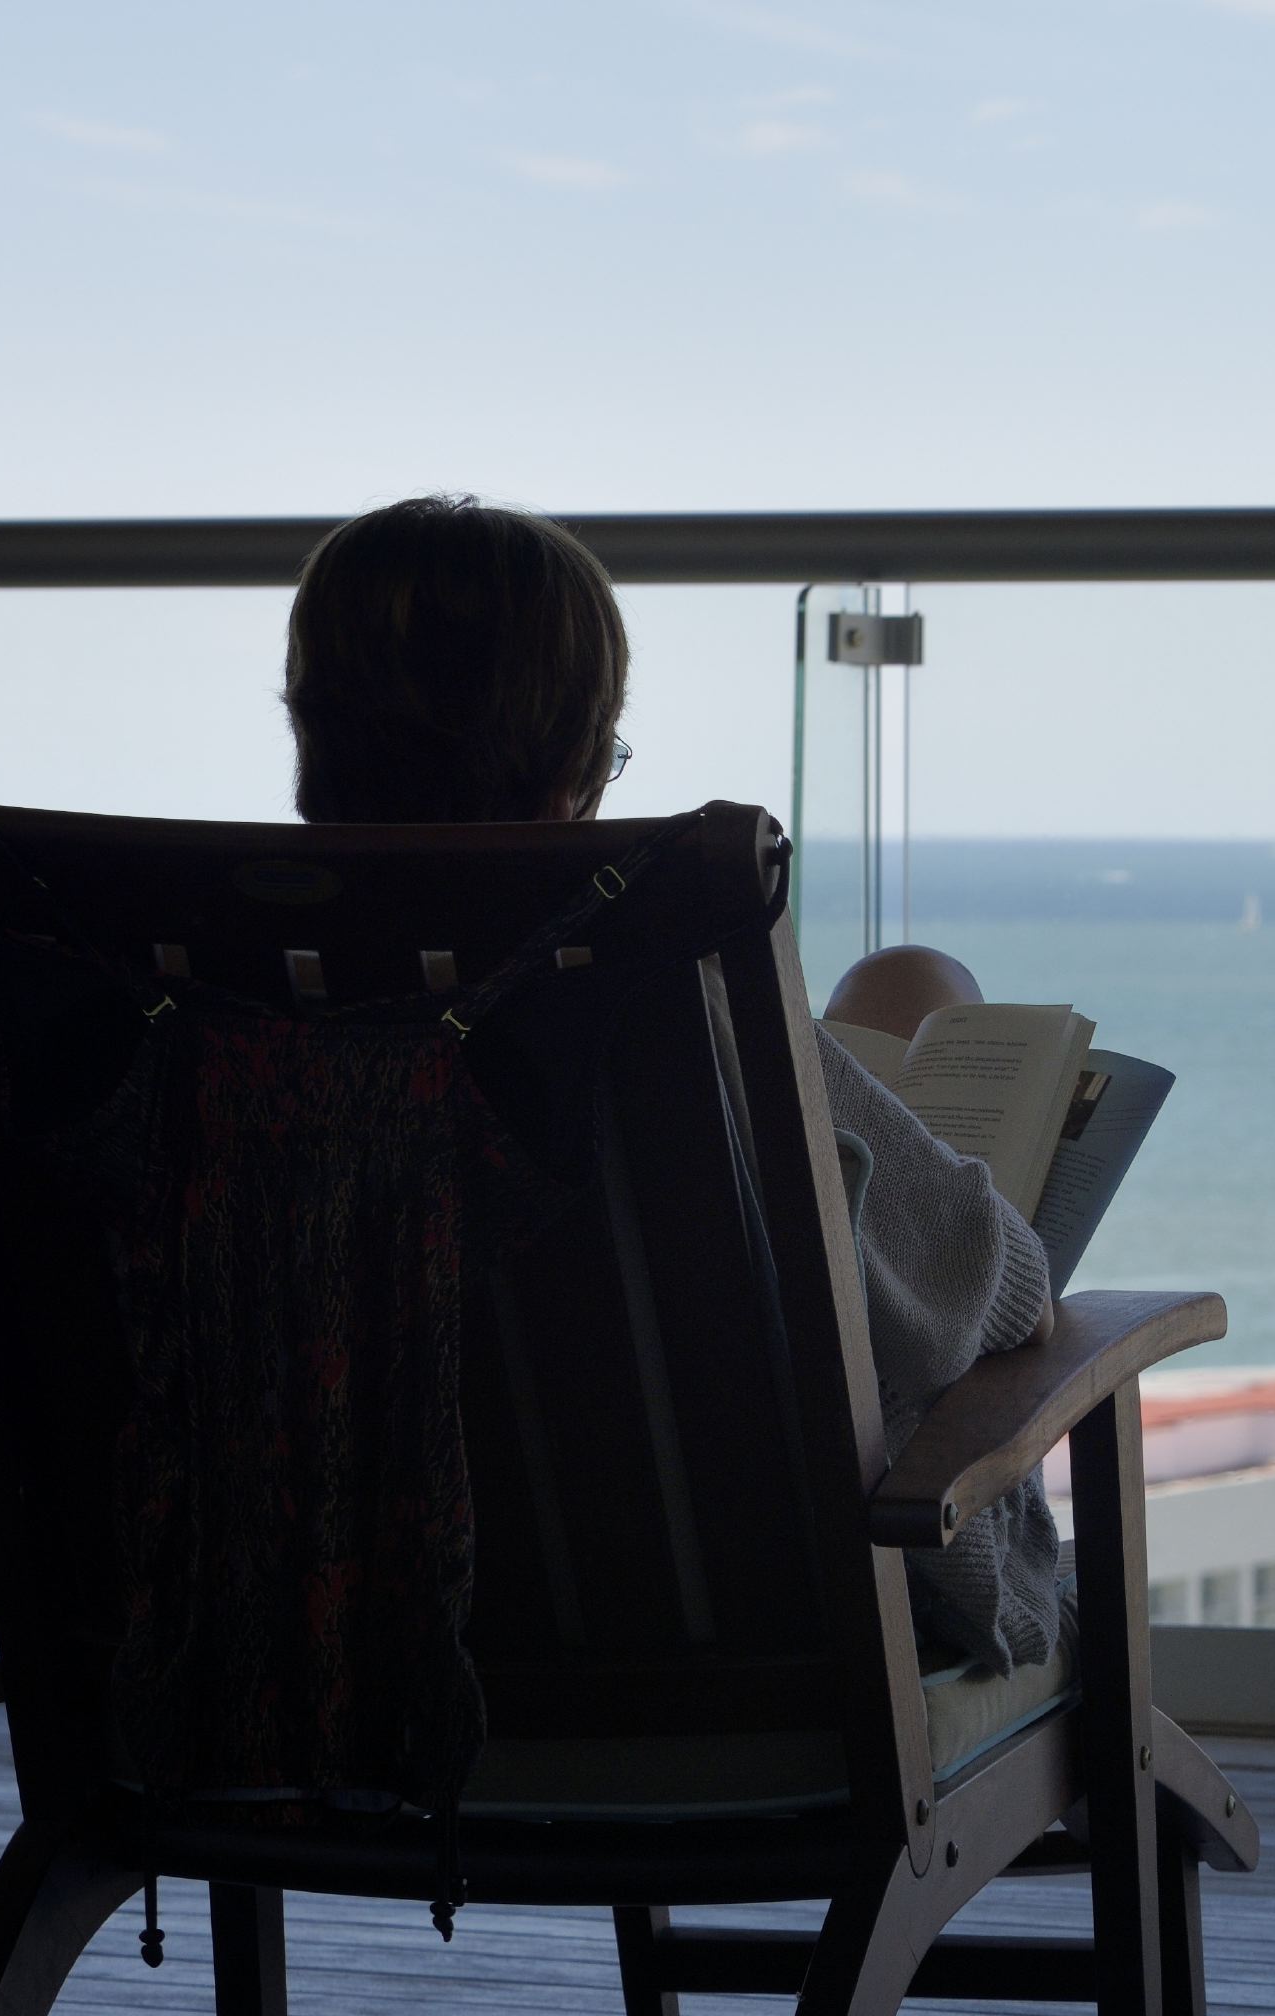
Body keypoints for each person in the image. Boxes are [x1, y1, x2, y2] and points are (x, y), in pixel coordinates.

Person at [277, 494, 1068, 1676]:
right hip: (746, 1645)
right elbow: (1000, 1292)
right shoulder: (670, 997)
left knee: (897, 987)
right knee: (919, 999)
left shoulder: (220, 1020)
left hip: (351, 1638)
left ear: (309, 738)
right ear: (579, 764)